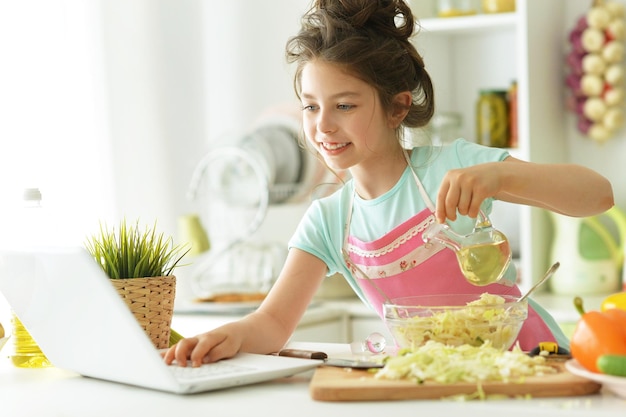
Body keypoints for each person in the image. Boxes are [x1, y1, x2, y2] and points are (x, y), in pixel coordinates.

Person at [164, 0, 614, 367]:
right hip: (433, 379)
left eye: (344, 106)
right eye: (310, 107)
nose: (323, 126)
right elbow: (273, 323)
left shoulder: (453, 165)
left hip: (533, 363)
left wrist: (499, 174)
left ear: (398, 108)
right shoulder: (329, 221)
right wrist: (221, 337)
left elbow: (597, 195)